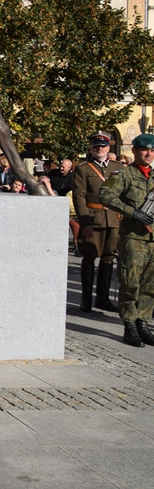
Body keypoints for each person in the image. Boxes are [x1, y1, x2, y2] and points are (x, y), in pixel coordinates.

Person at [98, 134, 154, 347]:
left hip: (153, 239)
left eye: (152, 151)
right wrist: (132, 213)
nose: (148, 154)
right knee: (130, 281)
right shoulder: (123, 174)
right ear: (135, 151)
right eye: (144, 150)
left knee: (150, 284)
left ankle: (143, 323)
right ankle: (129, 325)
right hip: (133, 238)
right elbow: (105, 194)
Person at [73, 132, 121, 313]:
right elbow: (79, 197)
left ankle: (103, 298)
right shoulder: (84, 169)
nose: (99, 148)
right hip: (93, 218)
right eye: (95, 146)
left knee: (109, 257)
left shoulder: (118, 168)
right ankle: (86, 300)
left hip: (113, 219)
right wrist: (85, 222)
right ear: (91, 148)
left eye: (102, 146)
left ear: (108, 148)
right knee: (90, 256)